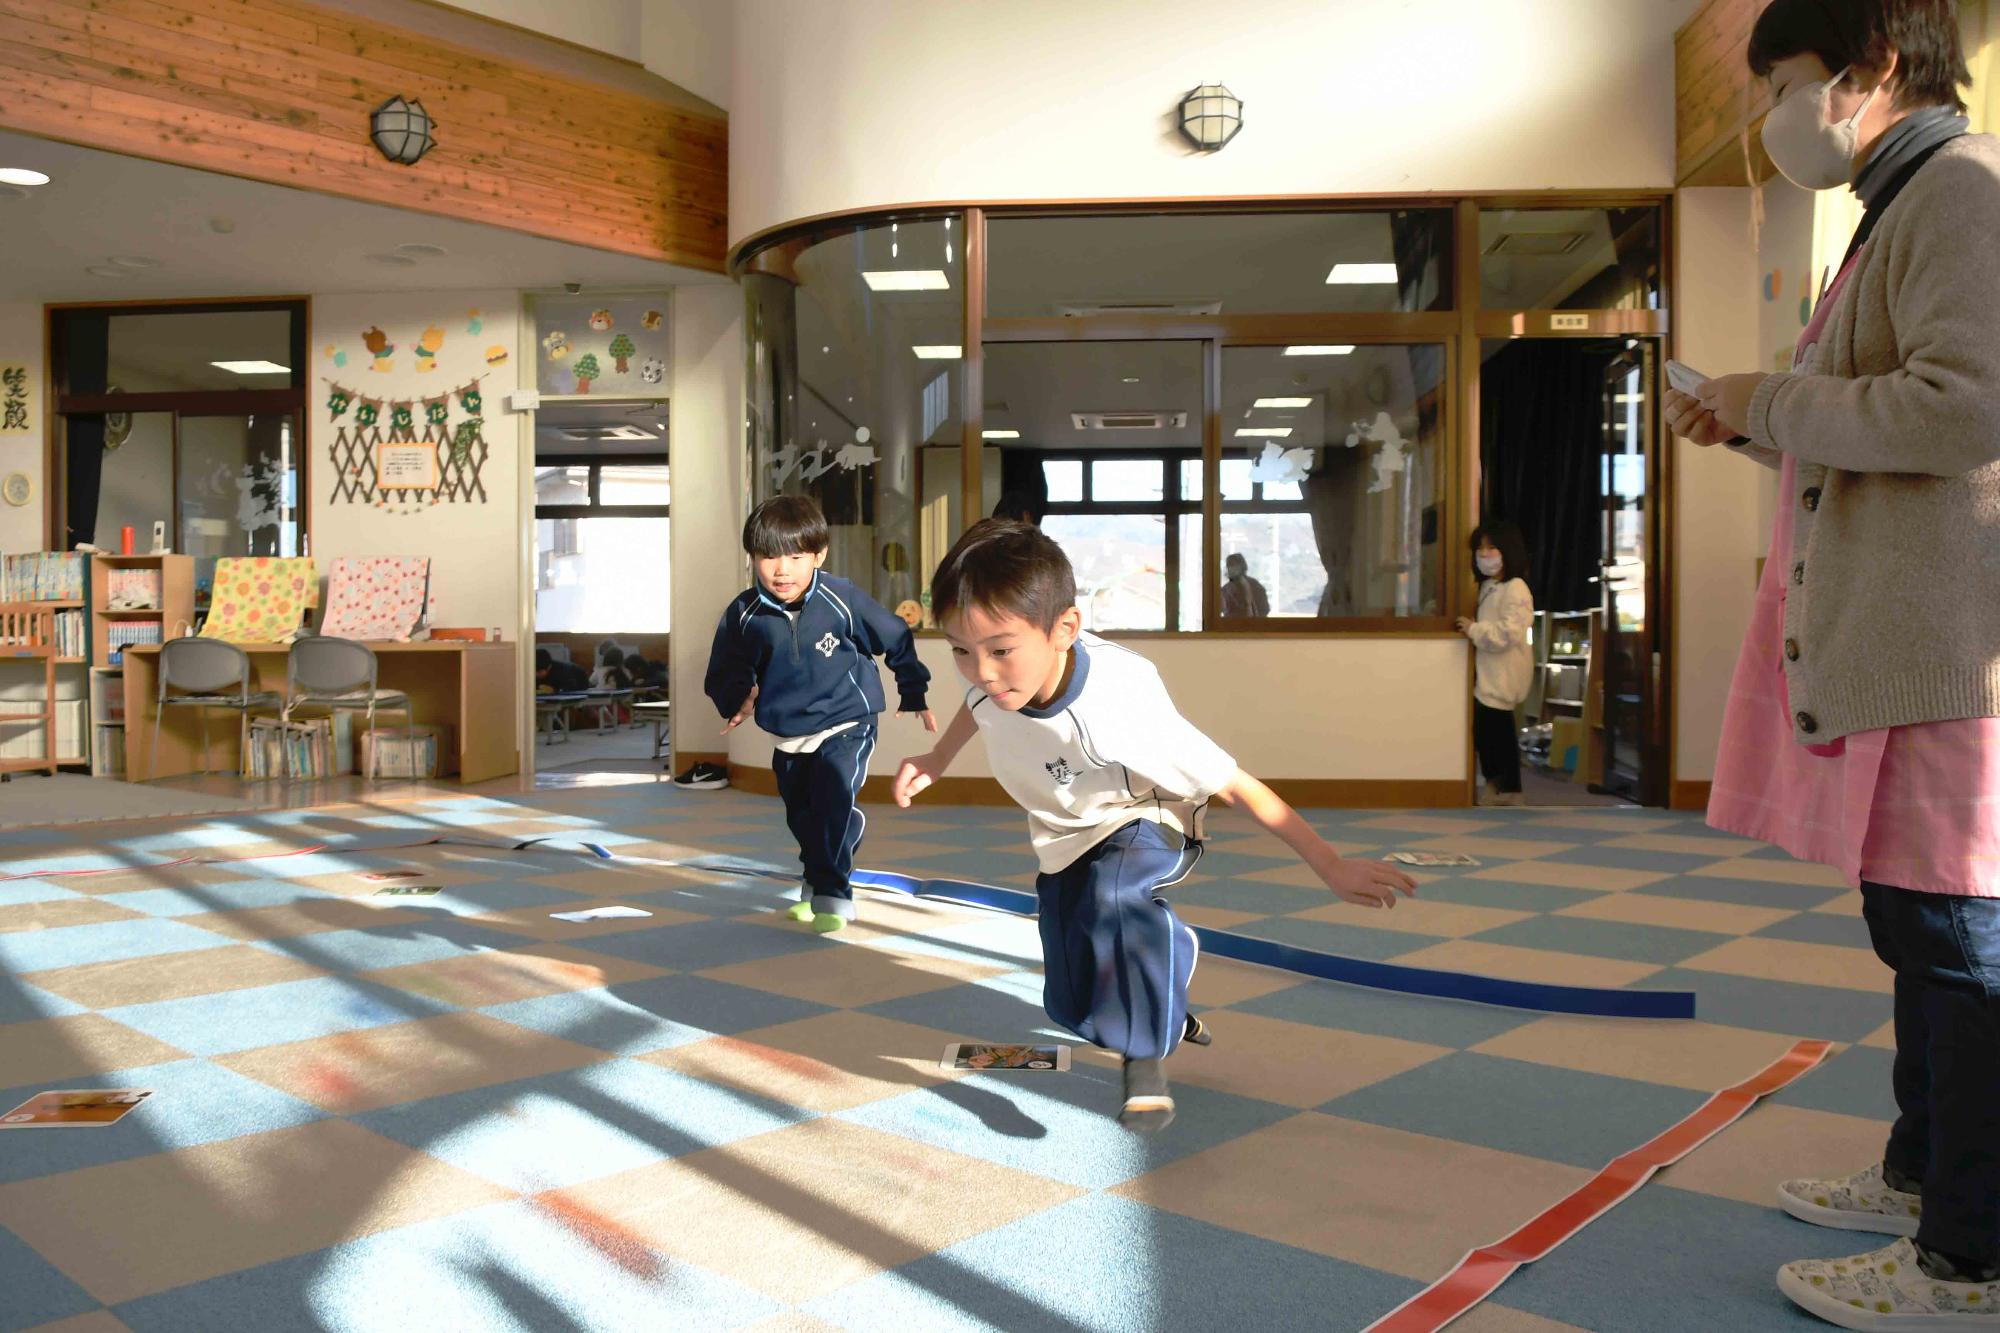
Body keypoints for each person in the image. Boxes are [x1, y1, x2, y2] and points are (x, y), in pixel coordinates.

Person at [1665, 2, 2000, 1324]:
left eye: (1784, 84)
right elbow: (1881, 419)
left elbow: (1968, 407)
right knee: (1919, 927)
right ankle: (1922, 1180)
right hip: (1910, 640)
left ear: (1870, 73)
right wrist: (1752, 420)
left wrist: (1772, 399)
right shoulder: (1897, 203)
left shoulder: (1957, 191)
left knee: (1959, 945)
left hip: (1952, 652)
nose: (1773, 118)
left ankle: (1966, 1261)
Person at [893, 519, 1415, 1131]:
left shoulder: (1120, 703)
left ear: (1064, 629)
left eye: (1000, 650)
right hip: (1067, 832)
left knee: (1114, 897)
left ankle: (1144, 1064)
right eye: (960, 649)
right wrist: (937, 758)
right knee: (1072, 1006)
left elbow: (1234, 783)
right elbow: (978, 706)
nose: (981, 670)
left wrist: (1329, 864)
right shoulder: (992, 677)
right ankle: (1167, 988)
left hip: (1148, 814)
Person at [705, 495, 937, 933]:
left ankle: (832, 895)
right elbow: (726, 668)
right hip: (789, 732)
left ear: (819, 555)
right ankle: (823, 867)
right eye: (769, 556)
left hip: (849, 721)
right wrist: (735, 699)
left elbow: (895, 636)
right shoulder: (744, 614)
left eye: (795, 557)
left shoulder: (841, 597)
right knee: (803, 816)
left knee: (831, 802)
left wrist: (913, 691)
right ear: (752, 557)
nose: (782, 570)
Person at [1456, 521, 1533, 807]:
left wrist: (1474, 630)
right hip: (1488, 671)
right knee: (1486, 732)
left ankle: (1510, 789)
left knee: (1498, 732)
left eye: (1491, 548)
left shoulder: (1516, 588)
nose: (1484, 554)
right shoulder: (1488, 587)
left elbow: (1509, 633)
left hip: (1503, 673)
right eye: (1480, 548)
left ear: (1508, 551)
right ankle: (1494, 785)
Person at [1219, 553, 1270, 619]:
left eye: (1234, 565)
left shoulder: (1256, 586)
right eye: (1229, 565)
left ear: (1242, 567)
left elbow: (1264, 609)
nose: (1231, 568)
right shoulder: (1225, 589)